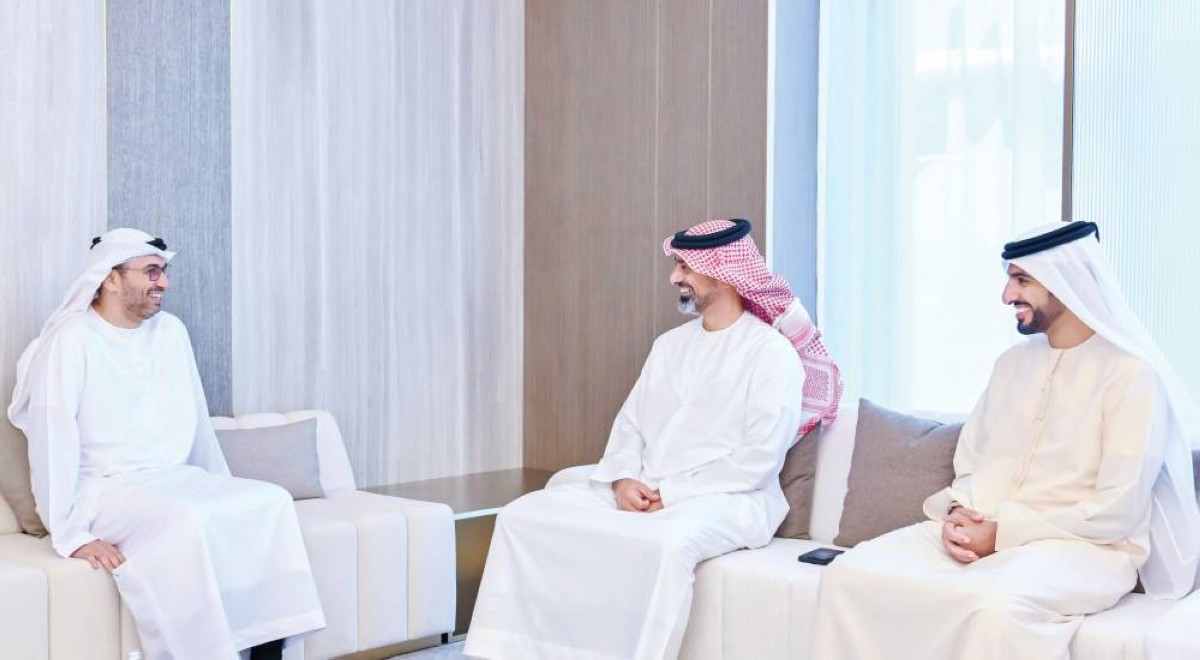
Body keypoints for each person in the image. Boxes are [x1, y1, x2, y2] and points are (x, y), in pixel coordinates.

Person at [811, 221, 1200, 659]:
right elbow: (971, 460)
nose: (1007, 295)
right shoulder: (1011, 364)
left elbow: (1117, 509)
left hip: (1084, 550)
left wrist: (1003, 533)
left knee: (992, 608)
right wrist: (958, 516)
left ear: (1064, 281)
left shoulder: (1131, 376)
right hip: (984, 530)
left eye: (1022, 280)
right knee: (849, 575)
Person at [465, 218, 842, 659]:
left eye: (685, 267)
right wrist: (624, 479)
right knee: (524, 514)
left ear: (724, 274)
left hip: (732, 498)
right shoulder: (668, 345)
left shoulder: (771, 353)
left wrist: (672, 493)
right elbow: (630, 425)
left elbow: (759, 458)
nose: (674, 277)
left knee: (667, 542)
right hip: (646, 487)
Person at [7, 228, 325, 660]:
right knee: (187, 518)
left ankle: (267, 653)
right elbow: (52, 443)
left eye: (164, 271)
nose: (164, 283)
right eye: (152, 271)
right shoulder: (71, 341)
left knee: (269, 501)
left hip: (172, 478)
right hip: (102, 490)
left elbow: (195, 417)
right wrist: (71, 534)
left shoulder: (171, 331)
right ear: (110, 278)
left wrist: (220, 486)